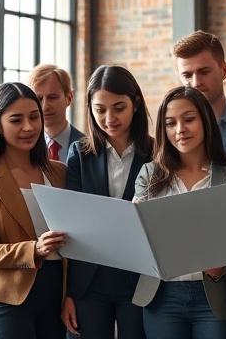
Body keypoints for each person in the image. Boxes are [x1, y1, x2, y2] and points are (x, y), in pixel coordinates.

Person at [131, 86, 226, 339]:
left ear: (205, 120)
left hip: (213, 295)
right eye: (171, 123)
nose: (180, 130)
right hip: (162, 297)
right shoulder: (150, 174)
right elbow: (137, 241)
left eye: (189, 119)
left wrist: (224, 266)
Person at [0, 82, 68, 339]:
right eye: (16, 120)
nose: (29, 127)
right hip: (8, 296)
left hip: (58, 292)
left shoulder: (59, 172)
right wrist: (34, 249)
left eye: (34, 117)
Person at [62, 65, 153, 339]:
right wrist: (68, 294)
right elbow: (70, 224)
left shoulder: (156, 153)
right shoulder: (79, 152)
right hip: (89, 282)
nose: (109, 117)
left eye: (118, 107)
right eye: (100, 109)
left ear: (135, 104)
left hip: (137, 279)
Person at [173, 30, 226, 164]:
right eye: (187, 76)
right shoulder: (173, 133)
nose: (195, 83)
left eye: (204, 72)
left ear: (224, 70)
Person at [28, 64, 85, 161]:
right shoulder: (26, 148)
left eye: (52, 97)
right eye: (39, 99)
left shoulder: (88, 148)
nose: (45, 106)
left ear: (68, 98)